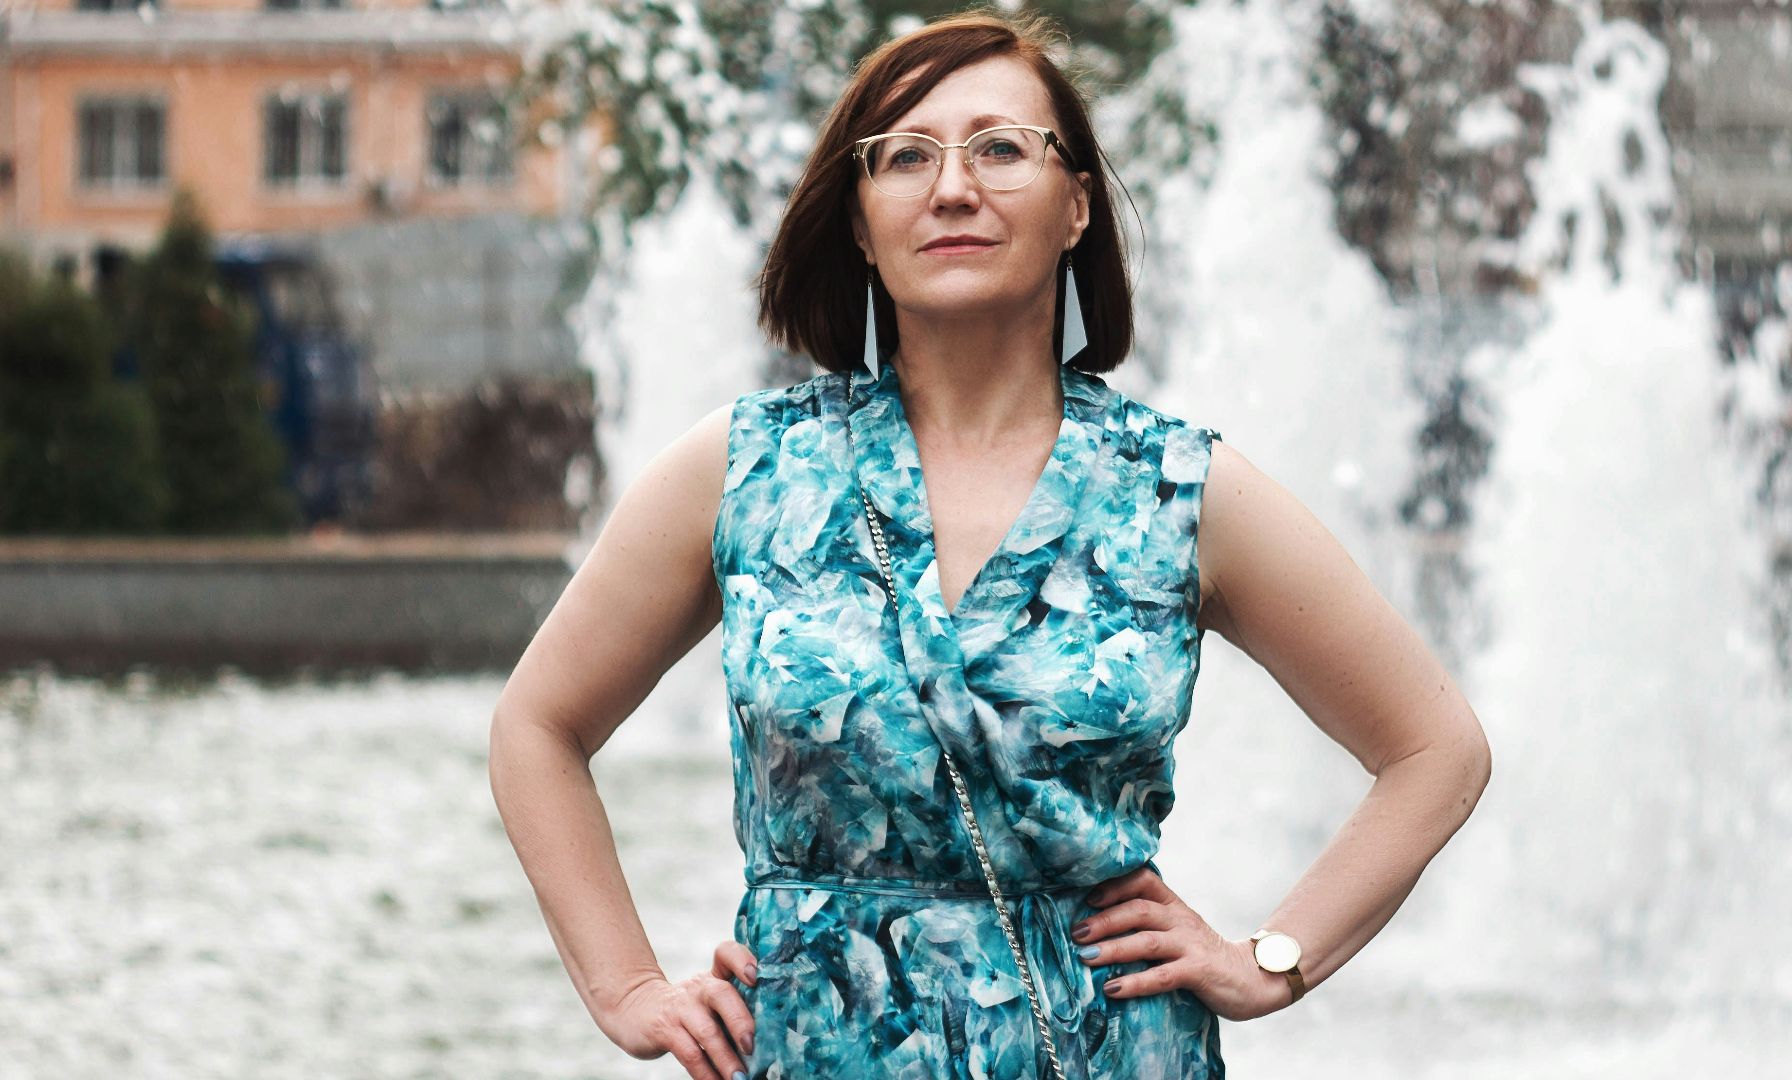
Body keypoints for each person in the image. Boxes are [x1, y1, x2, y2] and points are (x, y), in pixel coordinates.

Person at [489, 10, 1492, 1080]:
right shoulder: (743, 472)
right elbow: (537, 727)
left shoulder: (1179, 491)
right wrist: (628, 988)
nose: (952, 187)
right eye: (906, 157)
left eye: (1001, 149)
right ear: (862, 224)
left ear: (1076, 206)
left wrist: (1270, 960)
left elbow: (1435, 749)